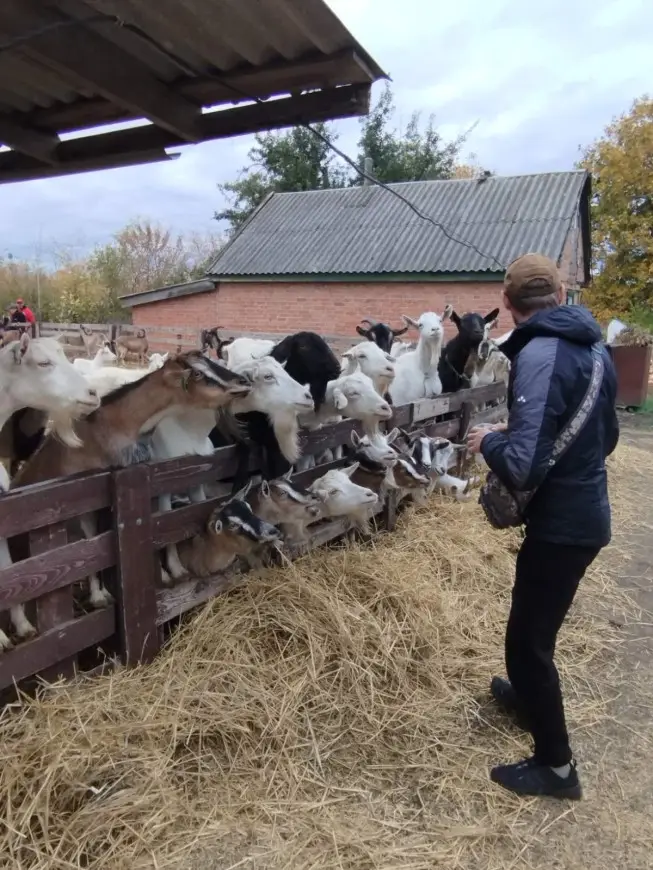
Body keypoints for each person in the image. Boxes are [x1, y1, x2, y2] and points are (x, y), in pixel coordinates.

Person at [466, 253, 619, 800]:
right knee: (535, 630)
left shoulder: (541, 354)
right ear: (559, 296)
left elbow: (524, 466)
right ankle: (528, 700)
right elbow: (606, 438)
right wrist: (527, 427)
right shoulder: (594, 347)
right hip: (585, 514)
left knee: (527, 643)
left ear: (507, 306)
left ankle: (556, 768)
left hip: (561, 525)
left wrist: (491, 441)